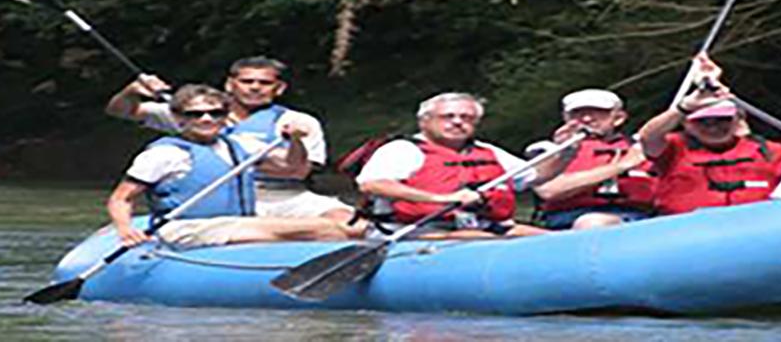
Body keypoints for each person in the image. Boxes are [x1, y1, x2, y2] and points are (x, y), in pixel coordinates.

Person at [104, 56, 355, 228]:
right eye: (247, 81)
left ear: (279, 88)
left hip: (285, 195)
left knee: (346, 219)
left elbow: (299, 171)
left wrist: (237, 152)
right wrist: (132, 91)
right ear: (230, 84)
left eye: (265, 83)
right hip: (224, 197)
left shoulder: (298, 121)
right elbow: (120, 110)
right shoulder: (192, 114)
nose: (255, 88)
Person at [354, 92, 554, 239]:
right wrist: (443, 198)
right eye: (447, 117)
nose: (458, 122)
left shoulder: (488, 151)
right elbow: (372, 185)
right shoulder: (402, 149)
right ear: (425, 122)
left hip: (483, 227)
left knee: (551, 238)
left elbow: (536, 176)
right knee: (481, 239)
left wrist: (565, 154)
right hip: (415, 231)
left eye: (467, 118)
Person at [636, 56, 781, 216]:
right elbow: (648, 137)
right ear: (686, 124)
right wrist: (685, 106)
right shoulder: (673, 148)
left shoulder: (775, 153)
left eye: (722, 120)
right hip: (690, 230)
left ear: (738, 120)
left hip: (756, 229)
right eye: (703, 122)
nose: (713, 127)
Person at [529, 89, 656, 230]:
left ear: (618, 118)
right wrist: (621, 166)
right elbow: (548, 189)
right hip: (568, 220)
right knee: (592, 222)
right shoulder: (547, 150)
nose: (586, 119)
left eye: (598, 113)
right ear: (566, 118)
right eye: (577, 114)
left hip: (639, 219)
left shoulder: (644, 147)